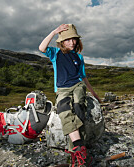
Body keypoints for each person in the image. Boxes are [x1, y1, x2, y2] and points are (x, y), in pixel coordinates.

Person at [39, 24, 101, 167]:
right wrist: (54, 32)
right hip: (62, 89)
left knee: (79, 107)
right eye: (67, 40)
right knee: (63, 110)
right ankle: (80, 151)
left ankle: (77, 153)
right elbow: (41, 48)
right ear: (61, 41)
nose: (71, 42)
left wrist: (94, 93)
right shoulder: (55, 53)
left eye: (74, 39)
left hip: (78, 86)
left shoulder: (79, 57)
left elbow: (83, 77)